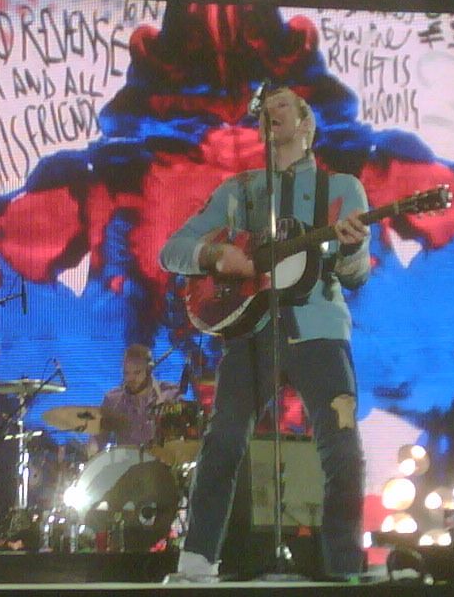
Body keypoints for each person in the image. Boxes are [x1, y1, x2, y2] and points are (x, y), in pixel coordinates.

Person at [159, 86, 371, 581]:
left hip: (319, 330)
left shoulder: (342, 188)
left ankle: (346, 569)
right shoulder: (241, 190)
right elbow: (172, 250)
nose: (271, 113)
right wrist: (216, 255)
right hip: (252, 332)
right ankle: (197, 562)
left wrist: (352, 248)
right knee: (223, 441)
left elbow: (357, 275)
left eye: (282, 106)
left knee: (342, 448)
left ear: (306, 123)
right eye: (265, 109)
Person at [92, 344, 180, 452]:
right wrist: (91, 451)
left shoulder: (170, 395)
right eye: (126, 373)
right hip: (126, 460)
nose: (130, 379)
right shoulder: (112, 400)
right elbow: (98, 439)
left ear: (148, 370)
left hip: (162, 459)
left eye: (137, 372)